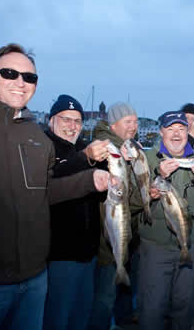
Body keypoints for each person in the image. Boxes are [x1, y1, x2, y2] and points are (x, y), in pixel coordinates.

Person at [0, 43, 109, 330]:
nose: (21, 82)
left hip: (34, 281)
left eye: (29, 77)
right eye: (10, 73)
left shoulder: (36, 137)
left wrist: (90, 180)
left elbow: (45, 192)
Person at [139, 110, 194, 330]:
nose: (176, 134)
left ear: (188, 132)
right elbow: (129, 202)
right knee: (152, 309)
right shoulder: (146, 160)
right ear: (161, 132)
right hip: (155, 248)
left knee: (185, 309)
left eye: (181, 129)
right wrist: (155, 182)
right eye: (171, 129)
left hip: (191, 245)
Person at [43, 94, 110, 330]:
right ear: (51, 120)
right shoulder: (44, 147)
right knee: (57, 318)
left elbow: (100, 191)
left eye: (77, 121)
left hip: (89, 253)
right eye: (66, 119)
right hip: (59, 255)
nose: (72, 126)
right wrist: (85, 158)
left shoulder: (84, 147)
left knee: (81, 317)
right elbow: (50, 183)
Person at [88, 101, 142, 330]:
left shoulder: (131, 147)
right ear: (113, 124)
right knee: (104, 298)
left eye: (136, 121)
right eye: (128, 121)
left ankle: (125, 323)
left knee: (125, 295)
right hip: (108, 238)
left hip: (129, 234)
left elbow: (134, 197)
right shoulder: (105, 149)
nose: (134, 126)